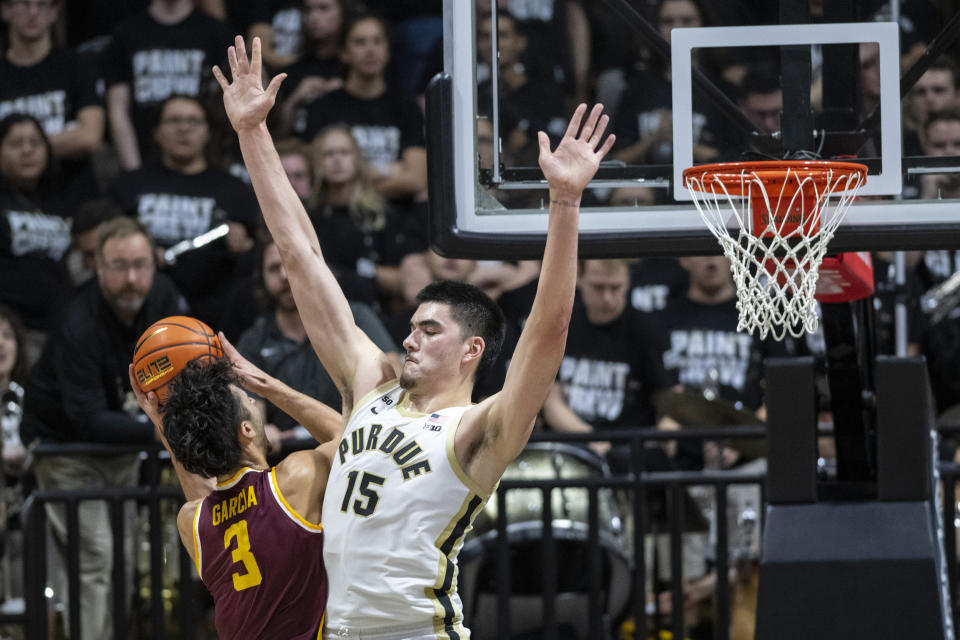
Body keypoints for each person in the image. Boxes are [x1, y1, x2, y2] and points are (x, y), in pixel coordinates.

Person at [214, 35, 614, 637]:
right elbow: (301, 257)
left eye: (430, 330)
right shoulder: (370, 384)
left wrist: (564, 202)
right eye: (410, 327)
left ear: (472, 350)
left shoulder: (480, 429)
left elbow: (547, 333)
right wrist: (253, 135)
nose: (410, 340)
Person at [19, 216, 189, 640]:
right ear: (98, 267)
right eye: (119, 266)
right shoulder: (77, 319)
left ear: (154, 264)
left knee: (126, 558)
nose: (131, 278)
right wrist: (158, 429)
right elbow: (86, 417)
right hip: (66, 451)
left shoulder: (163, 299)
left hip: (121, 450)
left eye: (140, 265)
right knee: (95, 558)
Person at [128, 338, 342, 640]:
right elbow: (353, 438)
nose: (256, 402)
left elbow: (203, 497)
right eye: (250, 401)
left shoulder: (192, 520)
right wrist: (269, 385)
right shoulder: (296, 478)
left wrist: (165, 424)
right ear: (247, 430)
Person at [237, 231, 398, 451]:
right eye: (274, 268)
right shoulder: (254, 340)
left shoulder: (354, 317)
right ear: (262, 279)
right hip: (289, 458)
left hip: (357, 449)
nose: (284, 275)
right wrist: (261, 430)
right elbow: (251, 415)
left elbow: (395, 378)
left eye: (290, 263)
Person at [109, 94, 259, 330]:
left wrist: (242, 246)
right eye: (174, 121)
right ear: (157, 132)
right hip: (139, 309)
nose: (183, 129)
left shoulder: (234, 190)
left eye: (193, 121)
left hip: (212, 315)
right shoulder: (129, 185)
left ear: (208, 132)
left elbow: (253, 253)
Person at [541, 259, 665, 465]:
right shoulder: (562, 327)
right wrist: (592, 438)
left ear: (628, 281)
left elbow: (668, 401)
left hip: (628, 454)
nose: (607, 298)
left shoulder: (647, 331)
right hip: (571, 446)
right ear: (579, 279)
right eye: (598, 287)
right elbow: (551, 403)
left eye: (616, 288)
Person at [298, 14, 427, 202]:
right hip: (336, 218)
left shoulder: (407, 107)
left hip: (396, 219)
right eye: (360, 42)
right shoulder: (322, 107)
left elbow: (416, 180)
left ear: (388, 51)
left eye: (377, 41)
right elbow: (317, 178)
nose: (370, 50)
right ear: (344, 52)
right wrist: (390, 169)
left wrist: (348, 187)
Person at [105, 0, 233, 170]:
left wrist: (210, 170)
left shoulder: (217, 32)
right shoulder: (126, 32)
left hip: (204, 161)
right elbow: (118, 110)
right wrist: (134, 174)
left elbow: (223, 107)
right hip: (143, 155)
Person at [0, 0, 105, 204]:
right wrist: (64, 140)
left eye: (42, 5)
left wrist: (14, 148)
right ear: (6, 10)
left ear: (55, 12)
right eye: (23, 4)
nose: (33, 13)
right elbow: (79, 135)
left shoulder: (79, 65)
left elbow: (89, 137)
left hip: (73, 193)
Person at [0, 113, 73, 366]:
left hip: (57, 326)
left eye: (35, 142)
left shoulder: (60, 199)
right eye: (15, 143)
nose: (27, 150)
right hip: (11, 331)